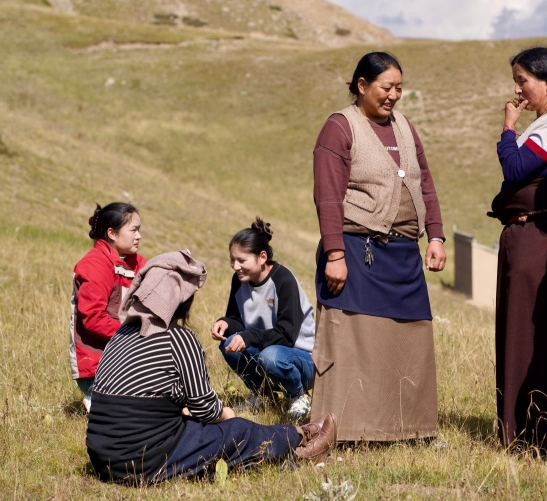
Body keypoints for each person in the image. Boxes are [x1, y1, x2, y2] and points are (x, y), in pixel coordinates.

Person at [86, 250, 336, 484]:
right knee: (237, 431)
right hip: (143, 460)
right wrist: (227, 415)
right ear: (182, 301)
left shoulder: (120, 335)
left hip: (101, 458)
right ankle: (299, 439)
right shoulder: (179, 339)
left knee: (197, 429)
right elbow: (206, 408)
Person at [310, 51, 446, 442]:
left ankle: (410, 429)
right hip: (357, 250)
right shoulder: (340, 127)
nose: (393, 96)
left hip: (403, 255)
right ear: (362, 85)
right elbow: (329, 196)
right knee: (355, 341)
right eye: (387, 88)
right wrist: (335, 254)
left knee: (410, 338)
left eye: (399, 88)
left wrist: (434, 234)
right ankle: (348, 429)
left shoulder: (405, 127)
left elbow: (426, 184)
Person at [490, 47, 547, 450]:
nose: (517, 89)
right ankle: (518, 427)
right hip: (525, 238)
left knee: (530, 332)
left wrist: (508, 128)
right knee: (518, 329)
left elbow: (515, 170)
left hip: (540, 242)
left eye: (523, 80)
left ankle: (533, 430)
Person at [210, 218, 316, 420]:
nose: (235, 266)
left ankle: (298, 395)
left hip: (302, 358)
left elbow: (287, 335)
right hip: (269, 348)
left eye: (242, 260)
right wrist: (225, 322)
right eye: (232, 260)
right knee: (229, 344)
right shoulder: (240, 280)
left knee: (270, 356)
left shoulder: (283, 280)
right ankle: (263, 396)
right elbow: (238, 320)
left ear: (262, 257)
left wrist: (249, 336)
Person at [69, 203, 146, 412]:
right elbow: (94, 318)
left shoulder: (136, 263)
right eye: (134, 230)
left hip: (125, 359)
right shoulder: (95, 264)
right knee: (153, 401)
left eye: (139, 230)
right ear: (112, 233)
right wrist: (137, 336)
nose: (139, 236)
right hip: (97, 368)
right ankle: (98, 400)